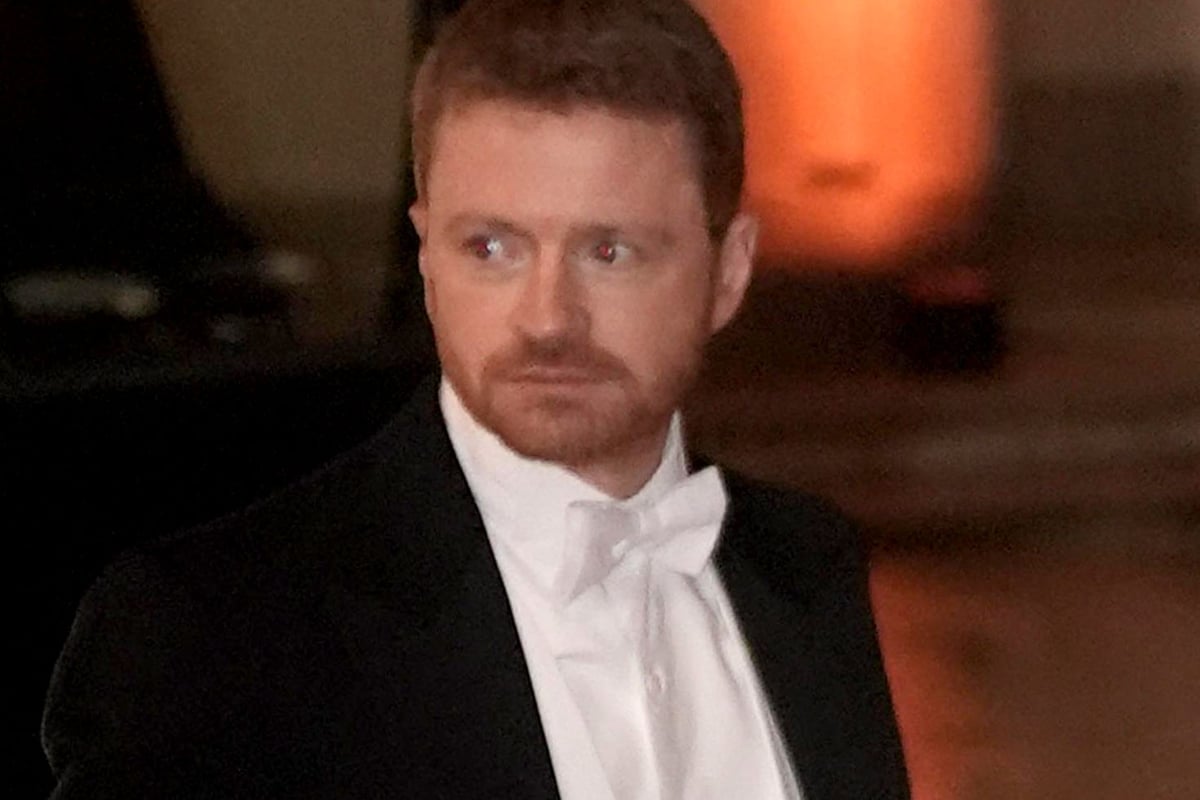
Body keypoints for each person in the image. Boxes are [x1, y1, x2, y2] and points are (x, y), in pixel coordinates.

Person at [41, 1, 909, 797]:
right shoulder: (212, 634)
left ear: (730, 270)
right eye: (492, 248)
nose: (548, 319)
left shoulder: (805, 566)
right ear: (426, 255)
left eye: (609, 252)